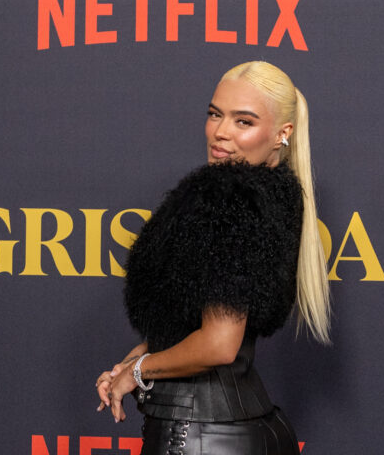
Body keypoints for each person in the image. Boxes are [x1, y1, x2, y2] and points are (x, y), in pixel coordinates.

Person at [95, 61, 331, 455]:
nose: (221, 132)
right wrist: (139, 357)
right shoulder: (276, 194)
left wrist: (137, 372)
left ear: (282, 133)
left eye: (244, 121)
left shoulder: (227, 199)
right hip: (254, 428)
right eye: (215, 114)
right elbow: (205, 318)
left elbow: (219, 345)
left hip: (202, 437)